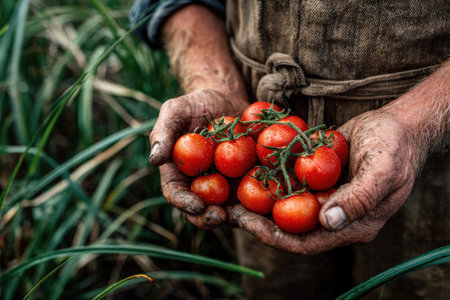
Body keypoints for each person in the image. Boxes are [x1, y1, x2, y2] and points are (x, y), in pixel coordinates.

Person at [130, 1, 450, 299]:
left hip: (434, 166)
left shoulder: (271, 157)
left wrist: (416, 122)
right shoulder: (266, 157)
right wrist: (213, 81)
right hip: (250, 121)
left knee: (409, 287)